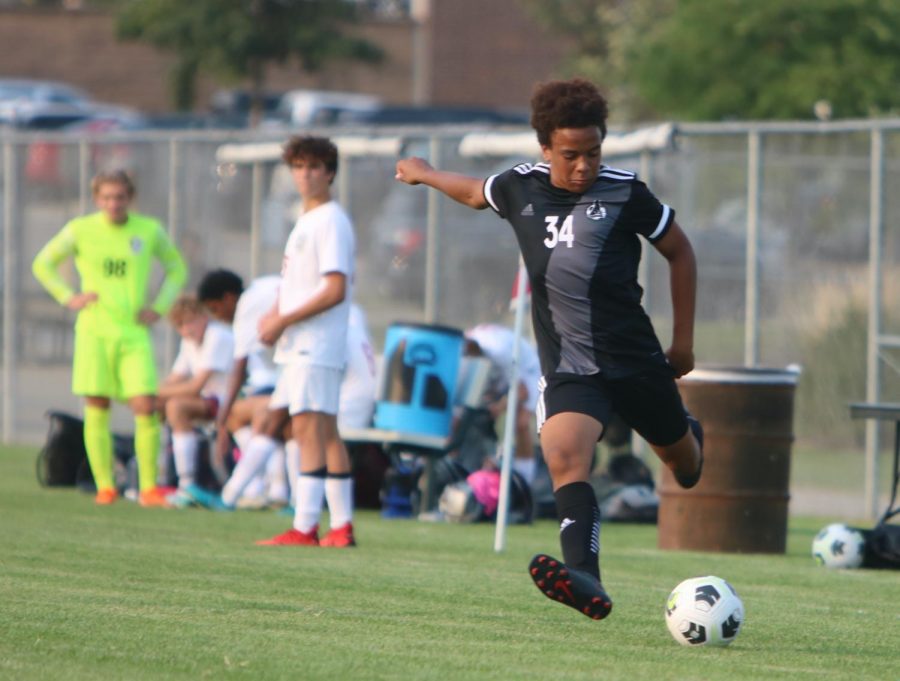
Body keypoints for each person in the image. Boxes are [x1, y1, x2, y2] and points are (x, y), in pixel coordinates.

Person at [395, 78, 703, 621]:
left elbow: (681, 253)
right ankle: (585, 578)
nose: (583, 165)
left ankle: (688, 435)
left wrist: (683, 342)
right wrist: (422, 173)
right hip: (570, 365)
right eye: (570, 155)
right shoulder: (520, 187)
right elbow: (471, 191)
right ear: (545, 149)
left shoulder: (626, 192)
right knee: (564, 454)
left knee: (685, 466)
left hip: (634, 359)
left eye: (593, 152)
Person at [32, 169, 187, 507]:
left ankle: (148, 488)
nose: (113, 204)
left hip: (133, 333)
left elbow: (177, 268)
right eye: (106, 198)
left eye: (119, 197)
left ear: (129, 198)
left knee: (146, 404)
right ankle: (106, 486)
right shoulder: (80, 230)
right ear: (96, 199)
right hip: (94, 332)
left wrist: (159, 306)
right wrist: (67, 295)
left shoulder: (148, 231)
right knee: (96, 405)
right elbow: (43, 263)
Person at [254, 135, 358, 548]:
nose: (305, 174)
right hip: (306, 342)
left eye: (314, 167)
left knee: (307, 429)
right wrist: (276, 311)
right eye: (298, 166)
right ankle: (343, 526)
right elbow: (300, 282)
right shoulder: (307, 219)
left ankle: (305, 526)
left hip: (314, 342)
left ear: (330, 173)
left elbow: (335, 288)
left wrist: (284, 319)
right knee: (326, 431)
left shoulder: (330, 219)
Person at [196, 268, 284, 500]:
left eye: (215, 309)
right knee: (283, 425)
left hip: (306, 366)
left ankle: (236, 494)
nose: (217, 317)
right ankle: (272, 489)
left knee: (256, 416)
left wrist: (221, 420)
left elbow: (239, 369)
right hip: (309, 364)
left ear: (229, 298)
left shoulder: (245, 307)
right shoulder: (264, 283)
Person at [158, 294, 234, 498]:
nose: (186, 330)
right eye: (180, 326)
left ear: (204, 317)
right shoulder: (188, 342)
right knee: (155, 407)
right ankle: (157, 479)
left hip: (232, 401)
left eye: (190, 322)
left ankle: (187, 483)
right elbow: (176, 377)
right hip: (212, 402)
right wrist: (150, 396)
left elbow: (195, 386)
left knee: (176, 407)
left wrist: (155, 393)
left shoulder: (217, 336)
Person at [464, 323, 542, 485]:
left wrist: (499, 408)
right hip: (501, 371)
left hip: (529, 370)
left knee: (520, 423)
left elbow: (521, 391)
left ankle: (524, 478)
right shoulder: (469, 345)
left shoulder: (499, 351)